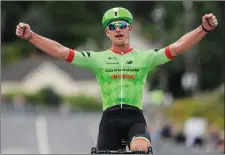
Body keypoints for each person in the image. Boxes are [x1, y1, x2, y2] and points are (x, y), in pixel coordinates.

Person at [16, 7, 218, 152]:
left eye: (123, 25)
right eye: (113, 26)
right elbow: (60, 51)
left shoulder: (145, 57)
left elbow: (178, 47)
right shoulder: (97, 59)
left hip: (134, 118)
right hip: (109, 120)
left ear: (130, 29)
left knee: (141, 148)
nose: (118, 29)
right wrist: (31, 36)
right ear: (107, 32)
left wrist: (203, 29)